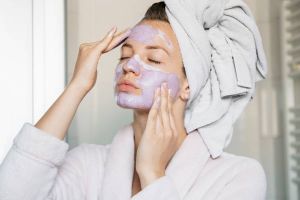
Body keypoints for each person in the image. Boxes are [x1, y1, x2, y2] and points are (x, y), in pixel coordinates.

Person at [0, 1, 267, 200]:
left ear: (188, 84)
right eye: (125, 56)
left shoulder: (238, 176)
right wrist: (77, 86)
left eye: (153, 59)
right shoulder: (88, 164)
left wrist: (152, 173)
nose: (131, 66)